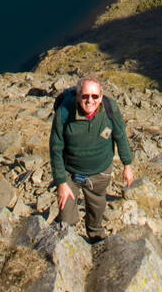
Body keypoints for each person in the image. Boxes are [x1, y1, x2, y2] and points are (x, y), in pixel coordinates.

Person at [50, 76, 134, 242]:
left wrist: (127, 165)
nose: (90, 100)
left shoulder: (110, 109)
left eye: (95, 96)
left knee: (97, 209)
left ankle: (96, 239)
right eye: (85, 96)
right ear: (78, 95)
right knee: (66, 217)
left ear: (101, 97)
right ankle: (65, 244)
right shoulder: (64, 113)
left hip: (99, 172)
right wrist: (61, 182)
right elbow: (55, 149)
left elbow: (120, 135)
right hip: (70, 173)